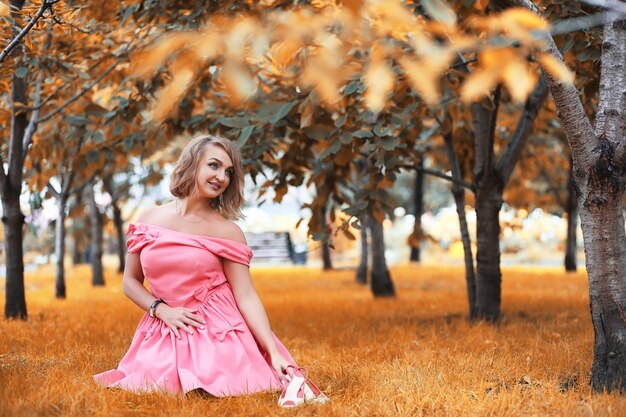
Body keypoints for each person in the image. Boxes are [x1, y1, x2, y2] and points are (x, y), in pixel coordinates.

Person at [93, 135, 326, 405]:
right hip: (163, 325)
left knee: (215, 392)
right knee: (152, 390)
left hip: (216, 329)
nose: (222, 177)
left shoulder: (227, 231)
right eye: (214, 165)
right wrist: (161, 310)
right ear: (192, 163)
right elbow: (130, 282)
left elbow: (246, 296)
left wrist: (273, 351)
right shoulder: (148, 219)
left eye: (228, 172)